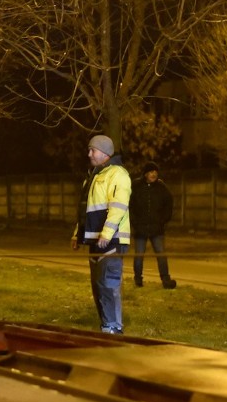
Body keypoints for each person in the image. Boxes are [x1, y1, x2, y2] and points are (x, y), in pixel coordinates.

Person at [71, 135, 131, 335]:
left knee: (108, 283)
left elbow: (118, 207)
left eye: (92, 150)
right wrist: (77, 235)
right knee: (98, 286)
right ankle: (106, 325)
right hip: (96, 239)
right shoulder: (94, 175)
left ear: (105, 153)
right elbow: (85, 210)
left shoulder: (118, 175)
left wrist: (106, 233)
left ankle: (114, 327)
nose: (89, 154)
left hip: (111, 240)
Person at [129, 161, 176, 289]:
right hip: (140, 227)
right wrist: (135, 222)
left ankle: (165, 279)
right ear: (145, 174)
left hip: (157, 228)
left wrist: (163, 220)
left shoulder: (161, 187)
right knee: (139, 254)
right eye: (150, 172)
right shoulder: (136, 186)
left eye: (155, 172)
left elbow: (169, 203)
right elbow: (130, 206)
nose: (153, 174)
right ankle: (138, 279)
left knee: (161, 254)